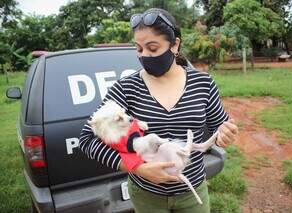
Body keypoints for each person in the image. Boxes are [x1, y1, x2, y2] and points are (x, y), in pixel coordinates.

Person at [79, 8, 238, 213]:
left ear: (175, 45)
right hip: (146, 196)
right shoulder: (126, 88)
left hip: (192, 193)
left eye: (152, 48)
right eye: (139, 49)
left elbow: (219, 126)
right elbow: (87, 139)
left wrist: (225, 134)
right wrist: (137, 167)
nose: (144, 55)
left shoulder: (203, 83)